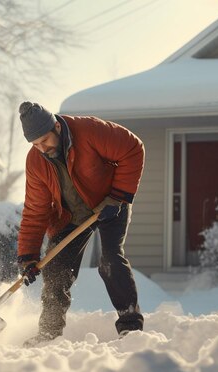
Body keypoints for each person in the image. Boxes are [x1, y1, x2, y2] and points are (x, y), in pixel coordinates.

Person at [17, 101, 145, 347]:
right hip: (72, 214)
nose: (42, 149)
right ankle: (48, 333)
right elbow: (35, 210)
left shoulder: (89, 131)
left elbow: (133, 149)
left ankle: (130, 326)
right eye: (35, 145)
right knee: (56, 268)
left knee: (110, 259)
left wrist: (118, 196)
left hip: (110, 202)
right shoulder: (36, 161)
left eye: (45, 141)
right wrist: (28, 255)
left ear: (56, 126)